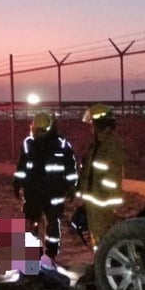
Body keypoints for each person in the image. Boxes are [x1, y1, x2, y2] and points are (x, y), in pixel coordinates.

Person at [12, 111, 77, 268]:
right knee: (31, 225)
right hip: (34, 193)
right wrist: (17, 182)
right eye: (36, 130)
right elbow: (22, 166)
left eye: (41, 131)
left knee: (53, 226)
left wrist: (72, 186)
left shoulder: (61, 144)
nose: (38, 134)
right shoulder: (29, 144)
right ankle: (32, 258)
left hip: (53, 194)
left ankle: (51, 256)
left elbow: (70, 168)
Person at [76, 103, 125, 248]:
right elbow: (90, 172)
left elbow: (111, 174)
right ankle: (100, 261)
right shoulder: (99, 143)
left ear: (100, 123)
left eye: (92, 124)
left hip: (102, 200)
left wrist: (105, 195)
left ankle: (103, 264)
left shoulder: (110, 144)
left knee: (103, 235)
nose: (91, 128)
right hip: (95, 199)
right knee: (97, 235)